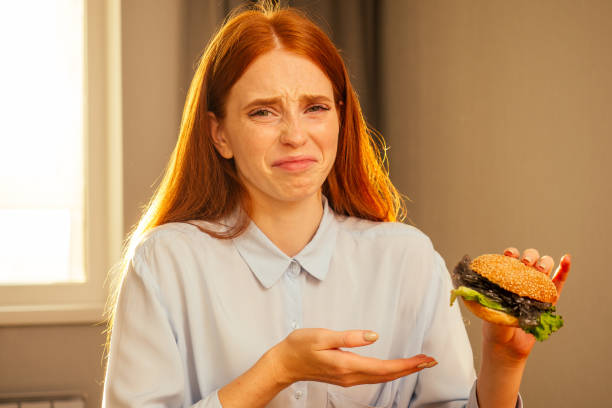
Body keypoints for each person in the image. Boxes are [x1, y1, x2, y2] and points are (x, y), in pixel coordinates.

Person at [102, 3, 571, 407]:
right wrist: (276, 371)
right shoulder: (164, 261)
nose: (295, 135)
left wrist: (503, 362)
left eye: (316, 107)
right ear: (219, 133)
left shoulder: (407, 258)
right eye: (263, 111)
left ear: (341, 120)